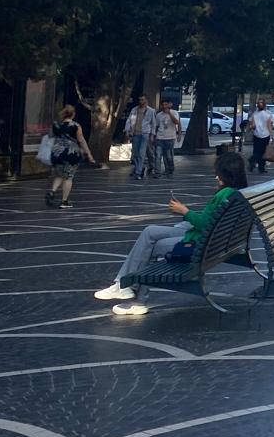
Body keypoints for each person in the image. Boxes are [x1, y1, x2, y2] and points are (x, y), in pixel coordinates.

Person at [94, 150, 249, 316]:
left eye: (219, 174)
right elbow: (212, 221)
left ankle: (133, 295)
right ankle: (125, 287)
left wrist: (184, 211)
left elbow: (204, 224)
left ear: (228, 175)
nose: (216, 177)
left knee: (151, 245)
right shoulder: (239, 193)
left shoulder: (225, 194)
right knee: (150, 232)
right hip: (218, 243)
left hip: (202, 245)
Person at [44, 105, 96, 208]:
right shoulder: (75, 126)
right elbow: (81, 140)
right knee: (68, 177)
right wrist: (89, 154)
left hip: (57, 152)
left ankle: (52, 192)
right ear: (73, 114)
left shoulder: (56, 125)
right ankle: (64, 201)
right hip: (70, 153)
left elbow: (50, 136)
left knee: (59, 174)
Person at [124, 94, 157, 181]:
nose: (141, 102)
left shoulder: (151, 111)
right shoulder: (134, 110)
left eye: (142, 100)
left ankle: (138, 172)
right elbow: (129, 120)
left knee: (142, 153)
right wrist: (127, 130)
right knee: (135, 153)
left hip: (145, 134)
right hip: (135, 133)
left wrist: (152, 135)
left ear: (146, 101)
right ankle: (140, 167)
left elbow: (153, 123)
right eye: (139, 100)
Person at [152, 99, 180, 177]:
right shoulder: (159, 115)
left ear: (169, 105)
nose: (164, 107)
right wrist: (153, 136)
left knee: (168, 156)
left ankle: (169, 169)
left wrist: (169, 113)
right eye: (163, 105)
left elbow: (177, 122)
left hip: (170, 137)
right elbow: (156, 126)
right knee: (158, 155)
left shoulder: (174, 112)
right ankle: (157, 172)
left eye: (166, 105)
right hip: (160, 137)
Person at [249, 103, 273, 173]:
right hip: (266, 135)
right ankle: (261, 168)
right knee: (263, 152)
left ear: (257, 107)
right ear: (265, 107)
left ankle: (252, 161)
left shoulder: (254, 114)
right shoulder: (268, 114)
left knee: (256, 151)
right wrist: (272, 135)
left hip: (257, 135)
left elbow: (252, 125)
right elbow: (270, 125)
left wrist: (251, 128)